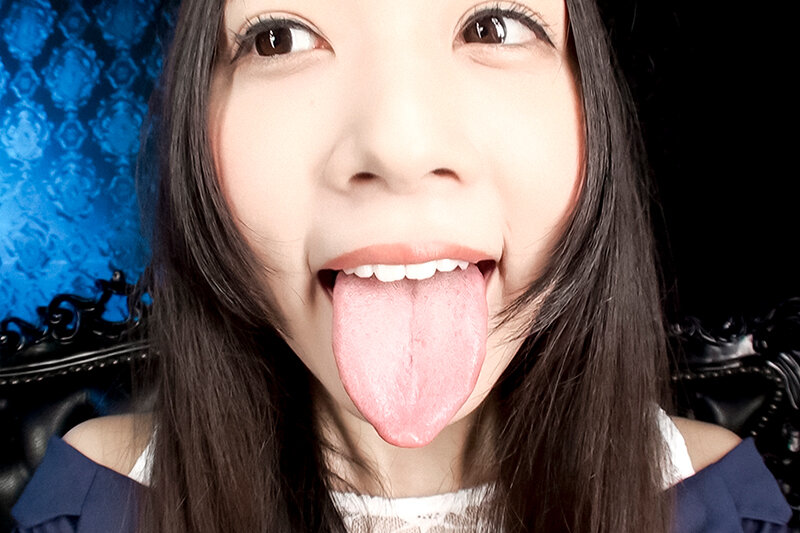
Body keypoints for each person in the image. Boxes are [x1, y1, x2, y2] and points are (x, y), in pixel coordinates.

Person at [11, 0, 792, 532]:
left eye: (493, 24)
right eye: (279, 36)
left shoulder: (722, 508)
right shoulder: (94, 508)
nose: (400, 145)